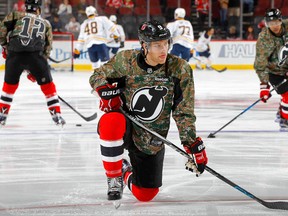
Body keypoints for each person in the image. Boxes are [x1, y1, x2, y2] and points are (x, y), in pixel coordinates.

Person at [89, 20, 208, 202]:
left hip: (151, 137)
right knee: (110, 121)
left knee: (145, 194)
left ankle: (124, 170)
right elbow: (97, 75)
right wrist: (105, 91)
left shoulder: (179, 69)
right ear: (144, 46)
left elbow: (183, 110)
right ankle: (114, 177)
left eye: (166, 44)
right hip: (127, 125)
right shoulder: (125, 60)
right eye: (157, 45)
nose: (164, 50)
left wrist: (191, 143)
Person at [0, 0, 65, 127]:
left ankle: (2, 116)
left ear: (26, 8)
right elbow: (47, 48)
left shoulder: (15, 15)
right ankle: (57, 116)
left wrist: (5, 46)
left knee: (8, 87)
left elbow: (2, 30)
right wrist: (36, 69)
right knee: (48, 87)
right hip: (36, 56)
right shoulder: (46, 23)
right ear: (38, 10)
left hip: (14, 54)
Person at [254, 8, 288, 130]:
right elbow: (260, 63)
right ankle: (284, 119)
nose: (274, 26)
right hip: (275, 72)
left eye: (277, 22)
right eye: (271, 23)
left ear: (281, 20)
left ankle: (281, 112)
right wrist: (264, 86)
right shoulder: (264, 38)